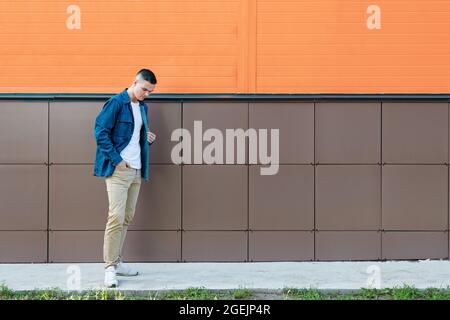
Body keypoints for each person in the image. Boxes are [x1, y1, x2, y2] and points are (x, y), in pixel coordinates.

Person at [93, 68, 157, 288]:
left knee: (127, 217)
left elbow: (133, 136)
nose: (146, 94)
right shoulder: (116, 103)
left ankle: (118, 262)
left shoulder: (143, 107)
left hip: (137, 169)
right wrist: (117, 160)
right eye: (144, 89)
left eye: (150, 91)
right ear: (135, 82)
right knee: (116, 217)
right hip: (119, 170)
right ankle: (109, 268)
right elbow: (100, 132)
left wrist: (146, 137)